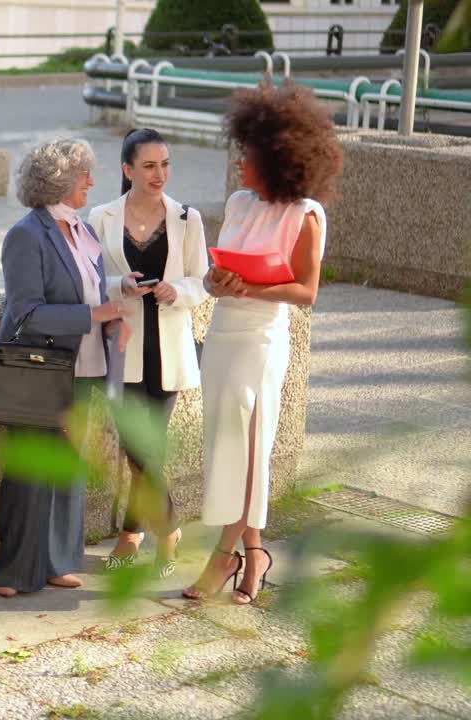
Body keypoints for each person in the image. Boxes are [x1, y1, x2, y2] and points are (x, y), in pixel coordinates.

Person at [183, 83, 342, 604]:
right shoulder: (238, 204)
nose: (238, 165)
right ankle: (256, 554)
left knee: (252, 450)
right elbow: (212, 274)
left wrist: (248, 285)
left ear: (276, 160)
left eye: (247, 157)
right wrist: (216, 282)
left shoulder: (305, 215)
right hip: (225, 331)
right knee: (226, 446)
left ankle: (224, 557)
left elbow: (307, 290)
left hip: (261, 340)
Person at [0, 137, 132, 597]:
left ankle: (55, 562)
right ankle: (14, 571)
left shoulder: (84, 231)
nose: (92, 181)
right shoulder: (26, 235)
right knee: (31, 474)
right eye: (83, 174)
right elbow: (27, 311)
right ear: (59, 180)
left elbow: (86, 290)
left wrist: (118, 294)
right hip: (41, 370)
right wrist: (97, 315)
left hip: (86, 368)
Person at [88, 128, 209, 578]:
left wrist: (175, 289)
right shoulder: (100, 217)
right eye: (149, 165)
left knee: (145, 449)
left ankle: (131, 533)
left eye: (165, 164)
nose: (160, 174)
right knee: (136, 448)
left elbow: (203, 280)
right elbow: (87, 280)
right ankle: (169, 529)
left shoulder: (186, 219)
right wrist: (119, 285)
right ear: (127, 169)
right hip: (122, 348)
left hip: (170, 348)